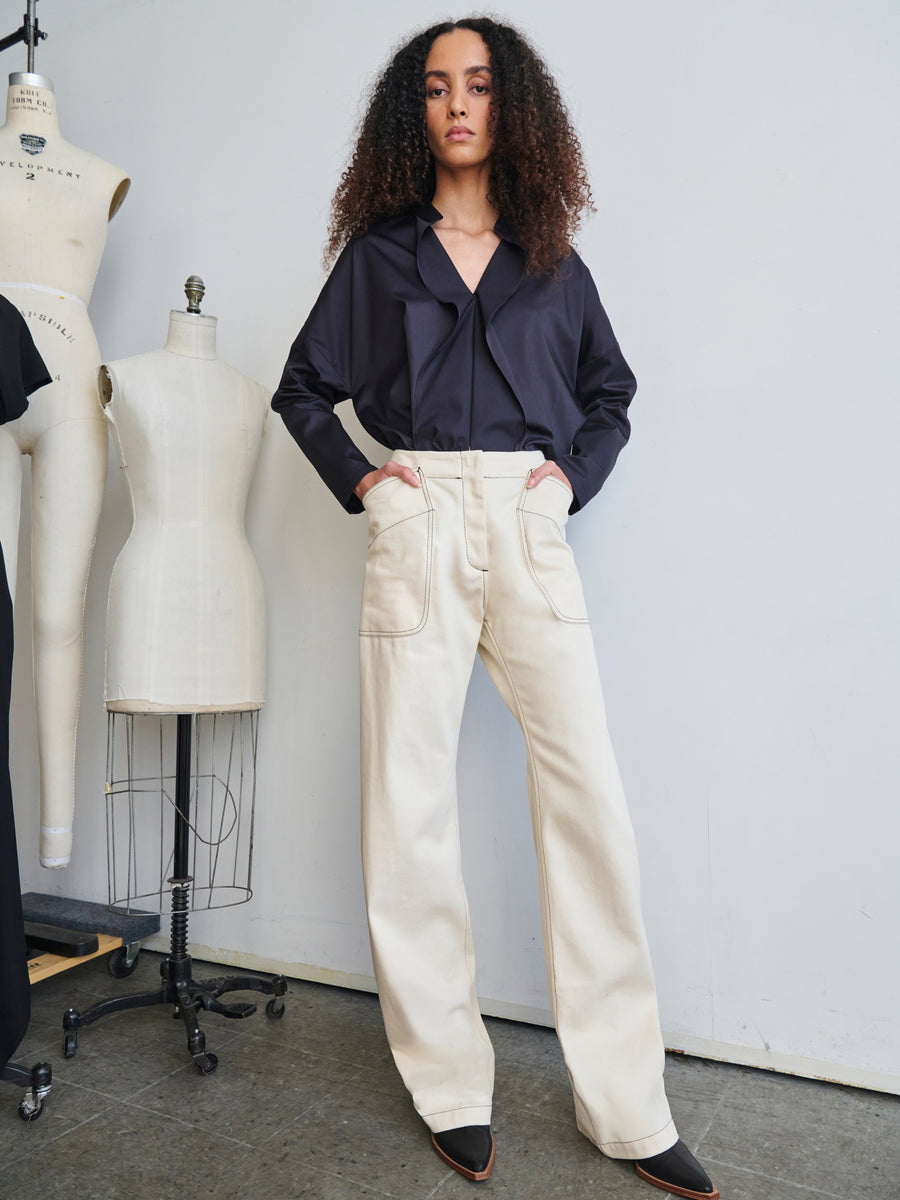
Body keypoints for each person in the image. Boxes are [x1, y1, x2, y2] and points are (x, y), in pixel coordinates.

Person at [272, 17, 718, 1199]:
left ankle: (628, 1105)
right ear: (409, 114)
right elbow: (304, 391)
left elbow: (610, 395)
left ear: (512, 106)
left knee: (587, 800)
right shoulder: (378, 259)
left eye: (476, 84)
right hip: (418, 520)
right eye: (434, 88)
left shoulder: (552, 260)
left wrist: (567, 478)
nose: (456, 104)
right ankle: (449, 1087)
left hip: (524, 518)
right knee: (406, 806)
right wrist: (368, 482)